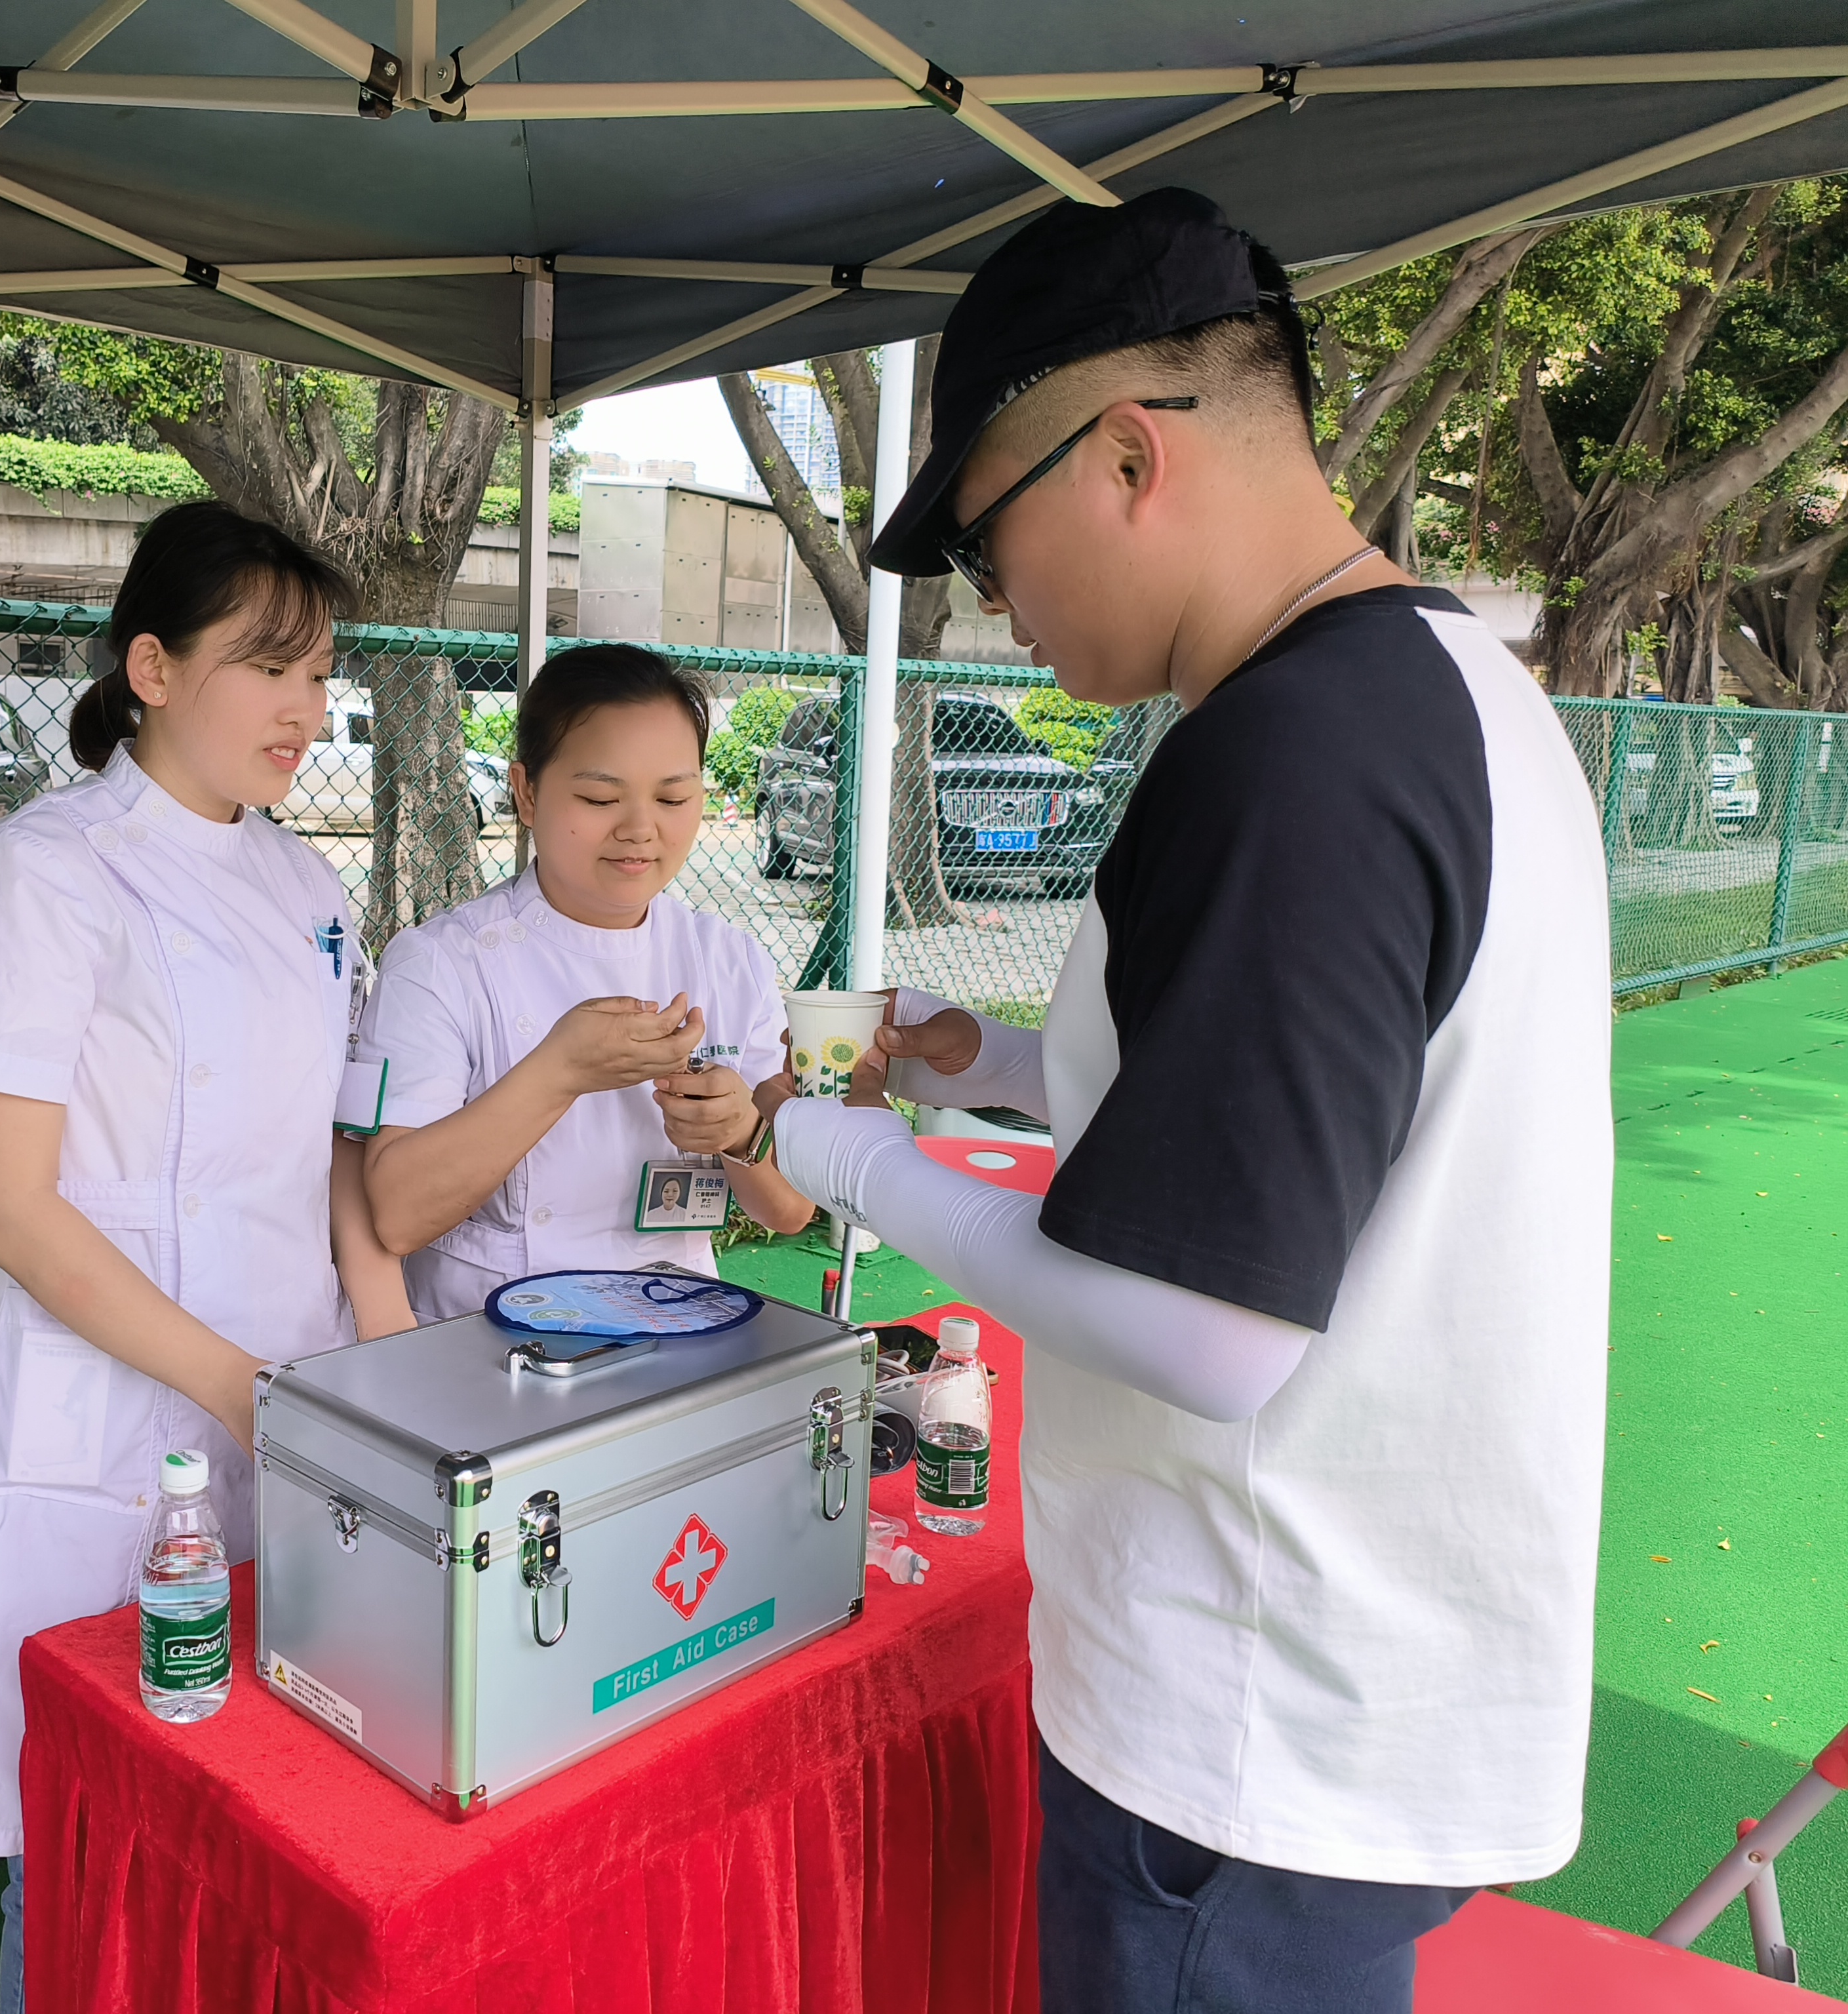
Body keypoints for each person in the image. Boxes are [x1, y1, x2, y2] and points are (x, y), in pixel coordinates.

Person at [760, 188, 1611, 2011]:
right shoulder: (1450, 687)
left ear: (1127, 456)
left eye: (988, 542)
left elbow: (1202, 1327)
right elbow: (1301, 1123)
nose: (995, 607)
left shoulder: (1287, 753)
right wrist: (996, 1064)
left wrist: (851, 1157)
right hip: (1354, 1674)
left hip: (1242, 1722)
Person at [0, 500, 413, 2013]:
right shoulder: (38, 874)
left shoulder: (309, 890)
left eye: (321, 672)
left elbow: (326, 1156)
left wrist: (383, 1365)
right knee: (86, 1853)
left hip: (284, 1416)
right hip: (105, 1438)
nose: (306, 707)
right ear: (154, 669)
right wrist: (247, 1391)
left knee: (257, 1830)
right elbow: (14, 1209)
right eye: (268, 666)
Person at [354, 644, 817, 1319]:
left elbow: (791, 1210)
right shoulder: (442, 964)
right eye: (600, 797)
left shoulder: (727, 958)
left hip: (678, 1320)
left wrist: (743, 1130)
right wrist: (560, 1073)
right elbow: (397, 1217)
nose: (640, 829)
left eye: (672, 797)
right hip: (487, 1338)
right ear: (526, 793)